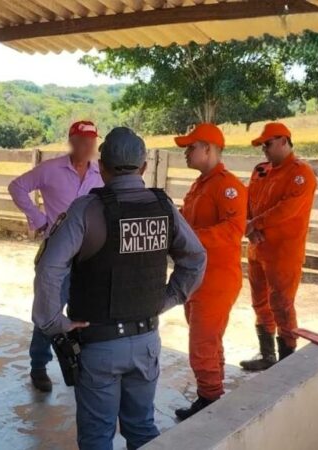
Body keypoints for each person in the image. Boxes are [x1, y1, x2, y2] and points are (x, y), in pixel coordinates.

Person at [33, 127, 206, 450]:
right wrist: (168, 299)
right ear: (143, 167)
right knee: (142, 429)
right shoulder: (163, 206)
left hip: (99, 344)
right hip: (146, 342)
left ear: (103, 167)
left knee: (98, 437)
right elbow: (195, 259)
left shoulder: (86, 209)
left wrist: (51, 322)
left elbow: (49, 268)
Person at [8, 120, 103, 392]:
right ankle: (39, 366)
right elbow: (17, 186)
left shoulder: (99, 174)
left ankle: (82, 363)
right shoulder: (51, 169)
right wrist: (38, 219)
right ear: (71, 141)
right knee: (49, 310)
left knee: (86, 310)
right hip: (57, 256)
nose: (87, 146)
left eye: (91, 141)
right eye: (82, 140)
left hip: (89, 256)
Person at [173, 124, 247, 420]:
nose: (186, 153)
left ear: (208, 149)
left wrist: (187, 237)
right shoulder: (200, 185)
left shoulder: (227, 186)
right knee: (208, 340)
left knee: (202, 344)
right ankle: (213, 392)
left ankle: (210, 403)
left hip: (216, 279)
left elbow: (232, 230)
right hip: (196, 278)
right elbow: (186, 221)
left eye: (190, 147)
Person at [240, 122, 316, 371]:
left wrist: (254, 224)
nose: (264, 149)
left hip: (284, 252)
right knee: (259, 303)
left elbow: (287, 209)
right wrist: (250, 229)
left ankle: (287, 361)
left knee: (282, 304)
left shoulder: (301, 173)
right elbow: (248, 200)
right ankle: (267, 355)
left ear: (284, 141)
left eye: (268, 143)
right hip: (257, 248)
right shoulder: (261, 170)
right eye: (262, 145)